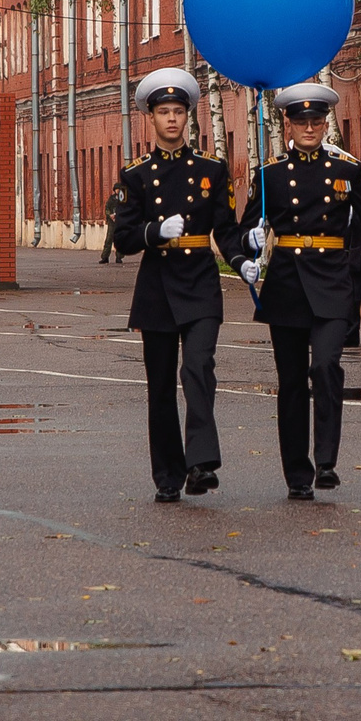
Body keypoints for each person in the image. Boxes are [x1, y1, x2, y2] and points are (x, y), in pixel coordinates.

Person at [231, 81, 361, 500]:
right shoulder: (269, 175)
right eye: (302, 120)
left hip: (331, 282)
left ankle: (325, 461)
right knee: (290, 383)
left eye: (317, 120)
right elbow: (243, 231)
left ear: (325, 124)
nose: (310, 127)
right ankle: (297, 474)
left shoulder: (347, 172)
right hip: (287, 284)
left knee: (325, 369)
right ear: (287, 123)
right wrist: (246, 250)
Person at [108, 69, 235, 501]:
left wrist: (244, 256)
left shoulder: (211, 169)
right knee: (160, 386)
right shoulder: (136, 175)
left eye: (179, 112)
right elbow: (124, 239)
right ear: (151, 118)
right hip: (158, 286)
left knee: (198, 368)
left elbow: (227, 229)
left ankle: (200, 464)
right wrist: (155, 231)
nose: (172, 120)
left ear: (188, 117)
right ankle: (167, 475)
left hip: (199, 282)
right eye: (164, 112)